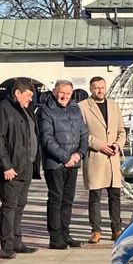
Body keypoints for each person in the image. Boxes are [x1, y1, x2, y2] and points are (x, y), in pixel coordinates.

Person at [0, 78, 42, 259]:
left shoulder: (25, 110)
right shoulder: (2, 110)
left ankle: (17, 241)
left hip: (27, 166)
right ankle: (6, 245)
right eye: (28, 95)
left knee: (20, 205)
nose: (31, 99)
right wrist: (6, 166)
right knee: (9, 207)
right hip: (12, 169)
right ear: (17, 93)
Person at [37, 80, 89, 249]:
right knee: (56, 199)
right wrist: (65, 157)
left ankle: (65, 234)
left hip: (73, 162)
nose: (65, 96)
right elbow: (47, 139)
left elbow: (83, 133)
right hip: (55, 164)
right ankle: (55, 237)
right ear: (54, 92)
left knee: (68, 200)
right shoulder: (46, 110)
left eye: (68, 93)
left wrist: (79, 154)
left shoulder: (75, 109)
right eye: (62, 92)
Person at [81, 77, 127, 244]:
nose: (100, 91)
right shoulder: (83, 107)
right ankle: (96, 230)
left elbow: (122, 130)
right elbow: (82, 133)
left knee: (115, 196)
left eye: (102, 87)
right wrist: (99, 145)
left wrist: (118, 145)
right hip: (96, 157)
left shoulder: (113, 106)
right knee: (95, 196)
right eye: (96, 88)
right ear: (91, 89)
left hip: (112, 158)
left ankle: (116, 228)